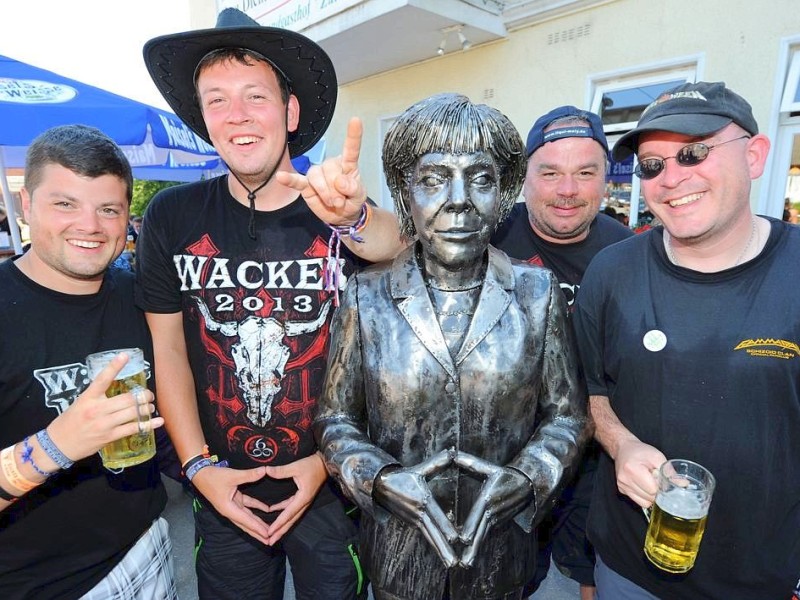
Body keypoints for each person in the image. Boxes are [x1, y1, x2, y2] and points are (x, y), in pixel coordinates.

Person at [136, 8, 403, 600]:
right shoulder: (172, 217)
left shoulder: (331, 205)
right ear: (204, 118)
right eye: (217, 100)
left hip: (330, 485)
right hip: (223, 484)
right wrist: (200, 471)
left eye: (255, 95)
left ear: (290, 110)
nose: (237, 116)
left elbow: (395, 248)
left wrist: (354, 217)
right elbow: (170, 351)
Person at [313, 93, 589, 600]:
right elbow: (335, 419)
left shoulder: (538, 293)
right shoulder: (365, 296)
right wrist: (380, 480)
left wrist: (529, 479)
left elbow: (568, 416)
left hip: (501, 560)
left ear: (503, 193)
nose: (458, 199)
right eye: (434, 179)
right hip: (399, 560)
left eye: (481, 179)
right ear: (404, 193)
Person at [572, 81, 800, 599]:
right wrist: (621, 442)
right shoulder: (611, 271)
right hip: (629, 570)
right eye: (652, 165)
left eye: (694, 153)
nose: (671, 178)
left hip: (762, 580)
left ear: (756, 155)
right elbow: (589, 392)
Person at [0, 124, 175, 599]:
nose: (90, 226)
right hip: (38, 585)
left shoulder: (139, 295)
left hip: (146, 550)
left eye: (108, 209)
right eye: (65, 204)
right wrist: (58, 444)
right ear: (25, 206)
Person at [492, 105, 633, 599]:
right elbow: (399, 248)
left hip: (593, 457)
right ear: (524, 180)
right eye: (550, 173)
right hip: (501, 451)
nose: (567, 190)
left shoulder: (628, 254)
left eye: (584, 173)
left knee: (585, 577)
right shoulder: (486, 235)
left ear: (605, 182)